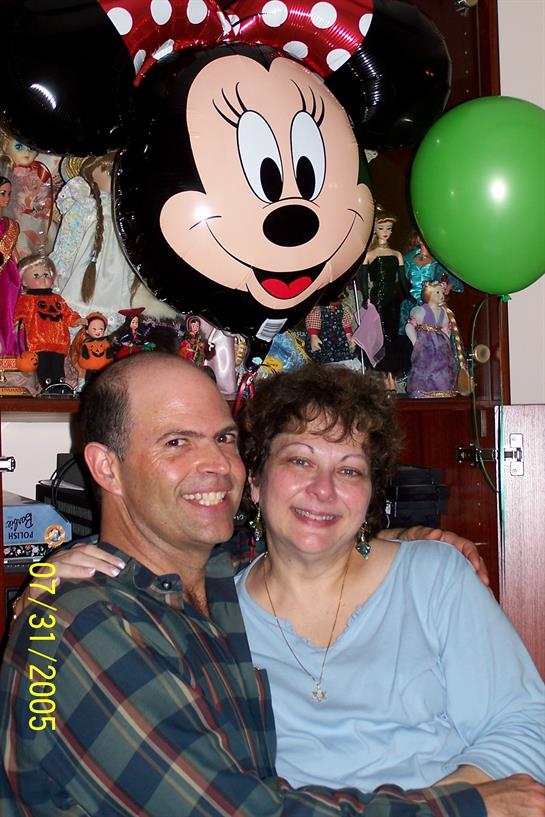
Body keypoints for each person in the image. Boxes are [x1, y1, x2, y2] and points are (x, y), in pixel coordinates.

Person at [4, 355, 543, 816]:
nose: (215, 463)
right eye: (176, 442)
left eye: (223, 439)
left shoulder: (208, 582)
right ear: (106, 467)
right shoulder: (81, 624)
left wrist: (403, 538)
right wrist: (469, 805)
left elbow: (301, 544)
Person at [14, 254, 86, 390]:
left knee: (58, 366)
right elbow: (20, 313)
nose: (43, 278)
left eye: (46, 274)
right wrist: (18, 322)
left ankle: (59, 384)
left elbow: (67, 313)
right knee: (44, 367)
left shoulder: (57, 299)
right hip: (39, 342)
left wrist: (77, 319)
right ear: (24, 282)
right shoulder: (27, 300)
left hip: (59, 342)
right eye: (36, 276)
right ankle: (47, 386)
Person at [360, 208, 412, 386]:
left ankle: (392, 375)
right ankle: (382, 375)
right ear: (374, 230)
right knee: (379, 334)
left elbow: (403, 281)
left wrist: (409, 295)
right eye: (382, 228)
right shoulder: (369, 255)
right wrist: (366, 298)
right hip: (378, 299)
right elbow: (364, 282)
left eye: (389, 228)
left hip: (394, 299)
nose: (386, 232)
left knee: (392, 333)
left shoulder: (397, 255)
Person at [405, 281, 460, 398]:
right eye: (437, 292)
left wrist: (447, 340)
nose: (441, 295)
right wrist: (416, 342)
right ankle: (422, 390)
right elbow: (409, 327)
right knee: (424, 366)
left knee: (442, 366)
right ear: (429, 294)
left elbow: (446, 330)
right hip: (426, 345)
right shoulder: (422, 310)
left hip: (440, 346)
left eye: (442, 292)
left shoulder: (444, 313)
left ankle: (442, 388)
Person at [0, 176, 21, 355]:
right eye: (2, 193)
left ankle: (8, 350)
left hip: (8, 275)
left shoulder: (11, 225)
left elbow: (14, 252)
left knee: (7, 310)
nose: (6, 198)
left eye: (8, 194)